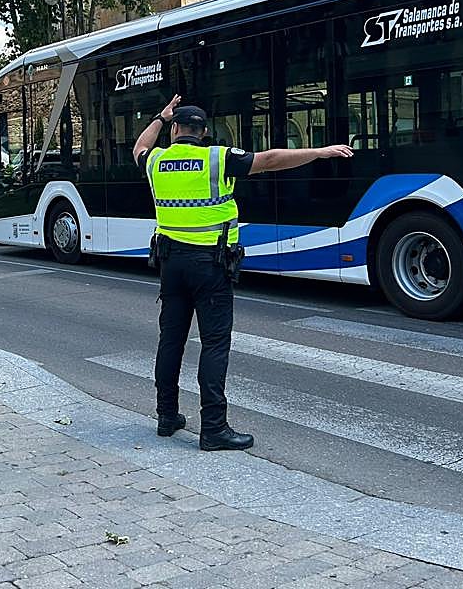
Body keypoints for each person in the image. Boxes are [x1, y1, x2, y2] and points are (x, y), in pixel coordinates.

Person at [133, 95, 353, 451]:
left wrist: (160, 116)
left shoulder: (156, 160)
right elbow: (270, 160)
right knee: (214, 344)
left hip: (170, 265)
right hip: (210, 267)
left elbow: (140, 147)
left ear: (175, 130)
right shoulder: (217, 158)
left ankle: (166, 416)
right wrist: (319, 151)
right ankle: (213, 429)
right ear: (204, 132)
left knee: (170, 341)